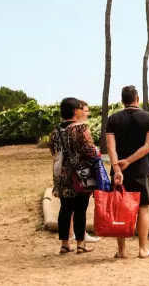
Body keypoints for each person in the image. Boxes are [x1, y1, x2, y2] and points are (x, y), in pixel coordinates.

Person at [106, 85, 149, 259]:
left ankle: (121, 251)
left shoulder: (113, 119)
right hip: (142, 169)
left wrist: (117, 167)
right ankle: (143, 249)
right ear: (137, 99)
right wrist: (129, 161)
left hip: (119, 171)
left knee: (120, 209)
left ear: (122, 101)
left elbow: (111, 147)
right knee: (143, 208)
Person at [49, 98, 99, 255]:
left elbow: (53, 150)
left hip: (62, 174)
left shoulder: (56, 131)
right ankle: (80, 244)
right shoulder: (80, 128)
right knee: (80, 210)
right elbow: (89, 150)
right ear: (76, 111)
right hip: (82, 173)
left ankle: (65, 244)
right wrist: (97, 152)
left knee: (65, 209)